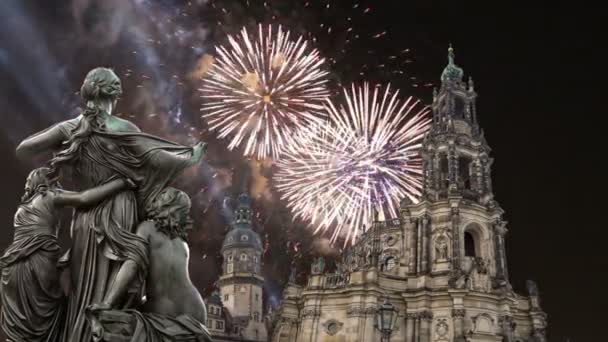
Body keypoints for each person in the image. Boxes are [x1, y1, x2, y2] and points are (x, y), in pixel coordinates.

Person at [15, 67, 206, 341]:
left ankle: (80, 334)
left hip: (86, 215)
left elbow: (24, 149)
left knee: (84, 283)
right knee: (119, 279)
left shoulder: (70, 128)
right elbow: (158, 160)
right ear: (112, 93)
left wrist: (60, 161)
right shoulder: (126, 130)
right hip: (121, 209)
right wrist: (189, 157)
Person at [0, 167, 135, 342]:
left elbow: (30, 239)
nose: (58, 183)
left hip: (11, 270)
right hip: (38, 263)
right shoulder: (49, 195)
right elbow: (84, 198)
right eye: (55, 180)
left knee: (20, 324)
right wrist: (121, 183)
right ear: (46, 182)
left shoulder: (22, 209)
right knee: (46, 315)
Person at [87, 187, 210, 341]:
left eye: (163, 195)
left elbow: (132, 265)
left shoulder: (147, 228)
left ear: (168, 204)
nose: (157, 197)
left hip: (164, 311)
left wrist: (108, 302)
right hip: (196, 312)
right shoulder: (182, 243)